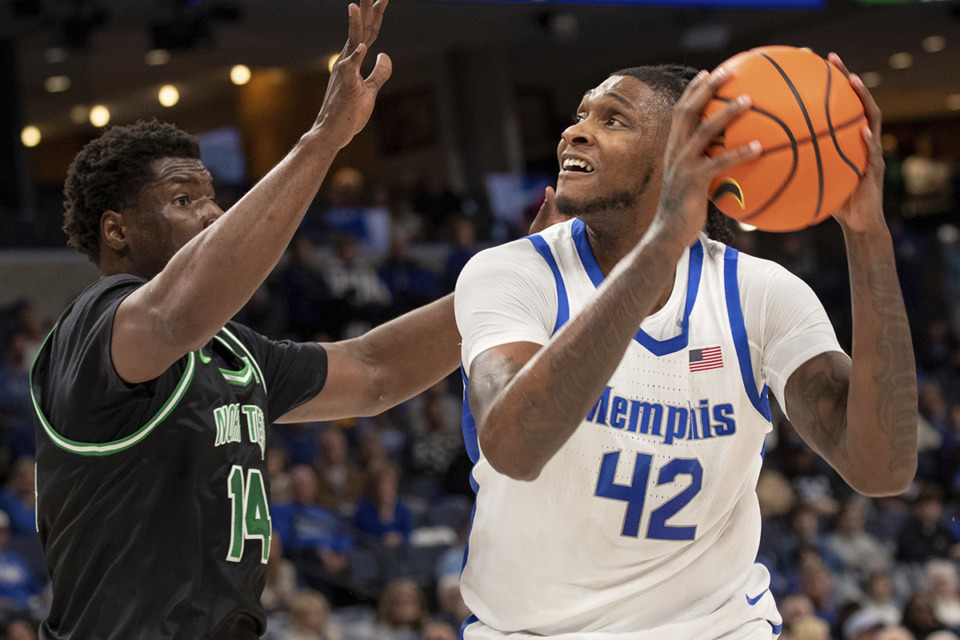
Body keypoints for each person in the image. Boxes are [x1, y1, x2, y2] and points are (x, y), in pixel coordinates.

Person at [28, 2, 460, 638]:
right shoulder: (94, 327)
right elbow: (181, 308)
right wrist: (322, 141)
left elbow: (374, 373)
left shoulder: (232, 351)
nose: (210, 215)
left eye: (212, 198)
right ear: (116, 230)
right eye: (183, 200)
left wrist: (521, 277)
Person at [454, 57, 917, 638]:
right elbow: (514, 447)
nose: (575, 131)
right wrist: (666, 240)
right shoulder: (511, 273)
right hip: (529, 630)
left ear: (687, 152)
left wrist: (868, 236)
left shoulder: (760, 294)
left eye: (614, 120)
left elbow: (882, 470)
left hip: (719, 626)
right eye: (581, 115)